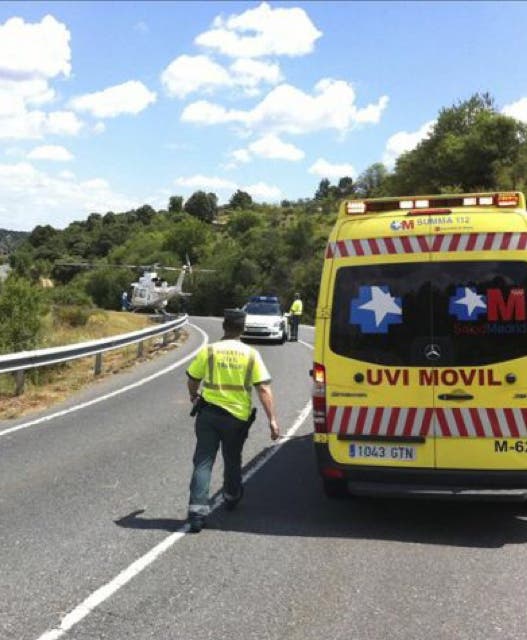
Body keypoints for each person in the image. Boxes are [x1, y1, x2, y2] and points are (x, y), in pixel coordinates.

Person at [185, 309, 280, 533]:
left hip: (208, 414)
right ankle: (231, 495)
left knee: (203, 461)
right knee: (232, 458)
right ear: (243, 328)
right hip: (236, 417)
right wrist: (272, 420)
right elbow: (263, 388)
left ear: (224, 326)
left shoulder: (209, 351)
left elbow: (192, 378)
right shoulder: (250, 354)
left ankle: (196, 513)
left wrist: (193, 395)